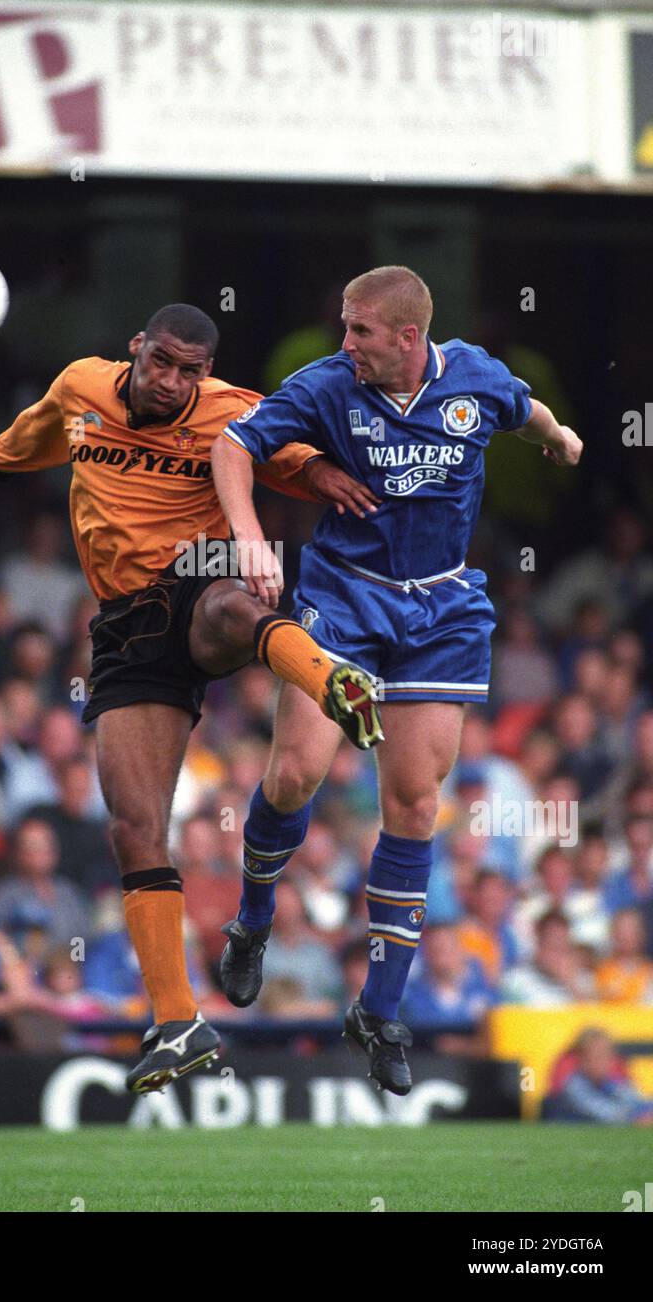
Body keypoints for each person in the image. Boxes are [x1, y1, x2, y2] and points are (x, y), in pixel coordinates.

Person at [0, 302, 379, 1093]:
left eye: (192, 371)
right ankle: (179, 1021)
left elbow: (294, 456)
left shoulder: (230, 410)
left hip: (199, 578)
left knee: (228, 603)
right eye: (164, 365)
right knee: (134, 827)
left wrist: (326, 474)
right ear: (135, 350)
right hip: (125, 630)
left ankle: (331, 680)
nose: (176, 382)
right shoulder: (83, 387)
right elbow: (38, 435)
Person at [211, 265, 583, 1095]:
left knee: (415, 803)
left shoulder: (476, 378)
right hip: (343, 598)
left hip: (443, 609)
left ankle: (379, 1009)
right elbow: (233, 444)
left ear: (410, 338)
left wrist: (560, 439)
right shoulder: (328, 385)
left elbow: (528, 414)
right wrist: (247, 537)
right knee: (296, 772)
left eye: (362, 332)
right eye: (345, 328)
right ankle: (252, 920)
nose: (347, 344)